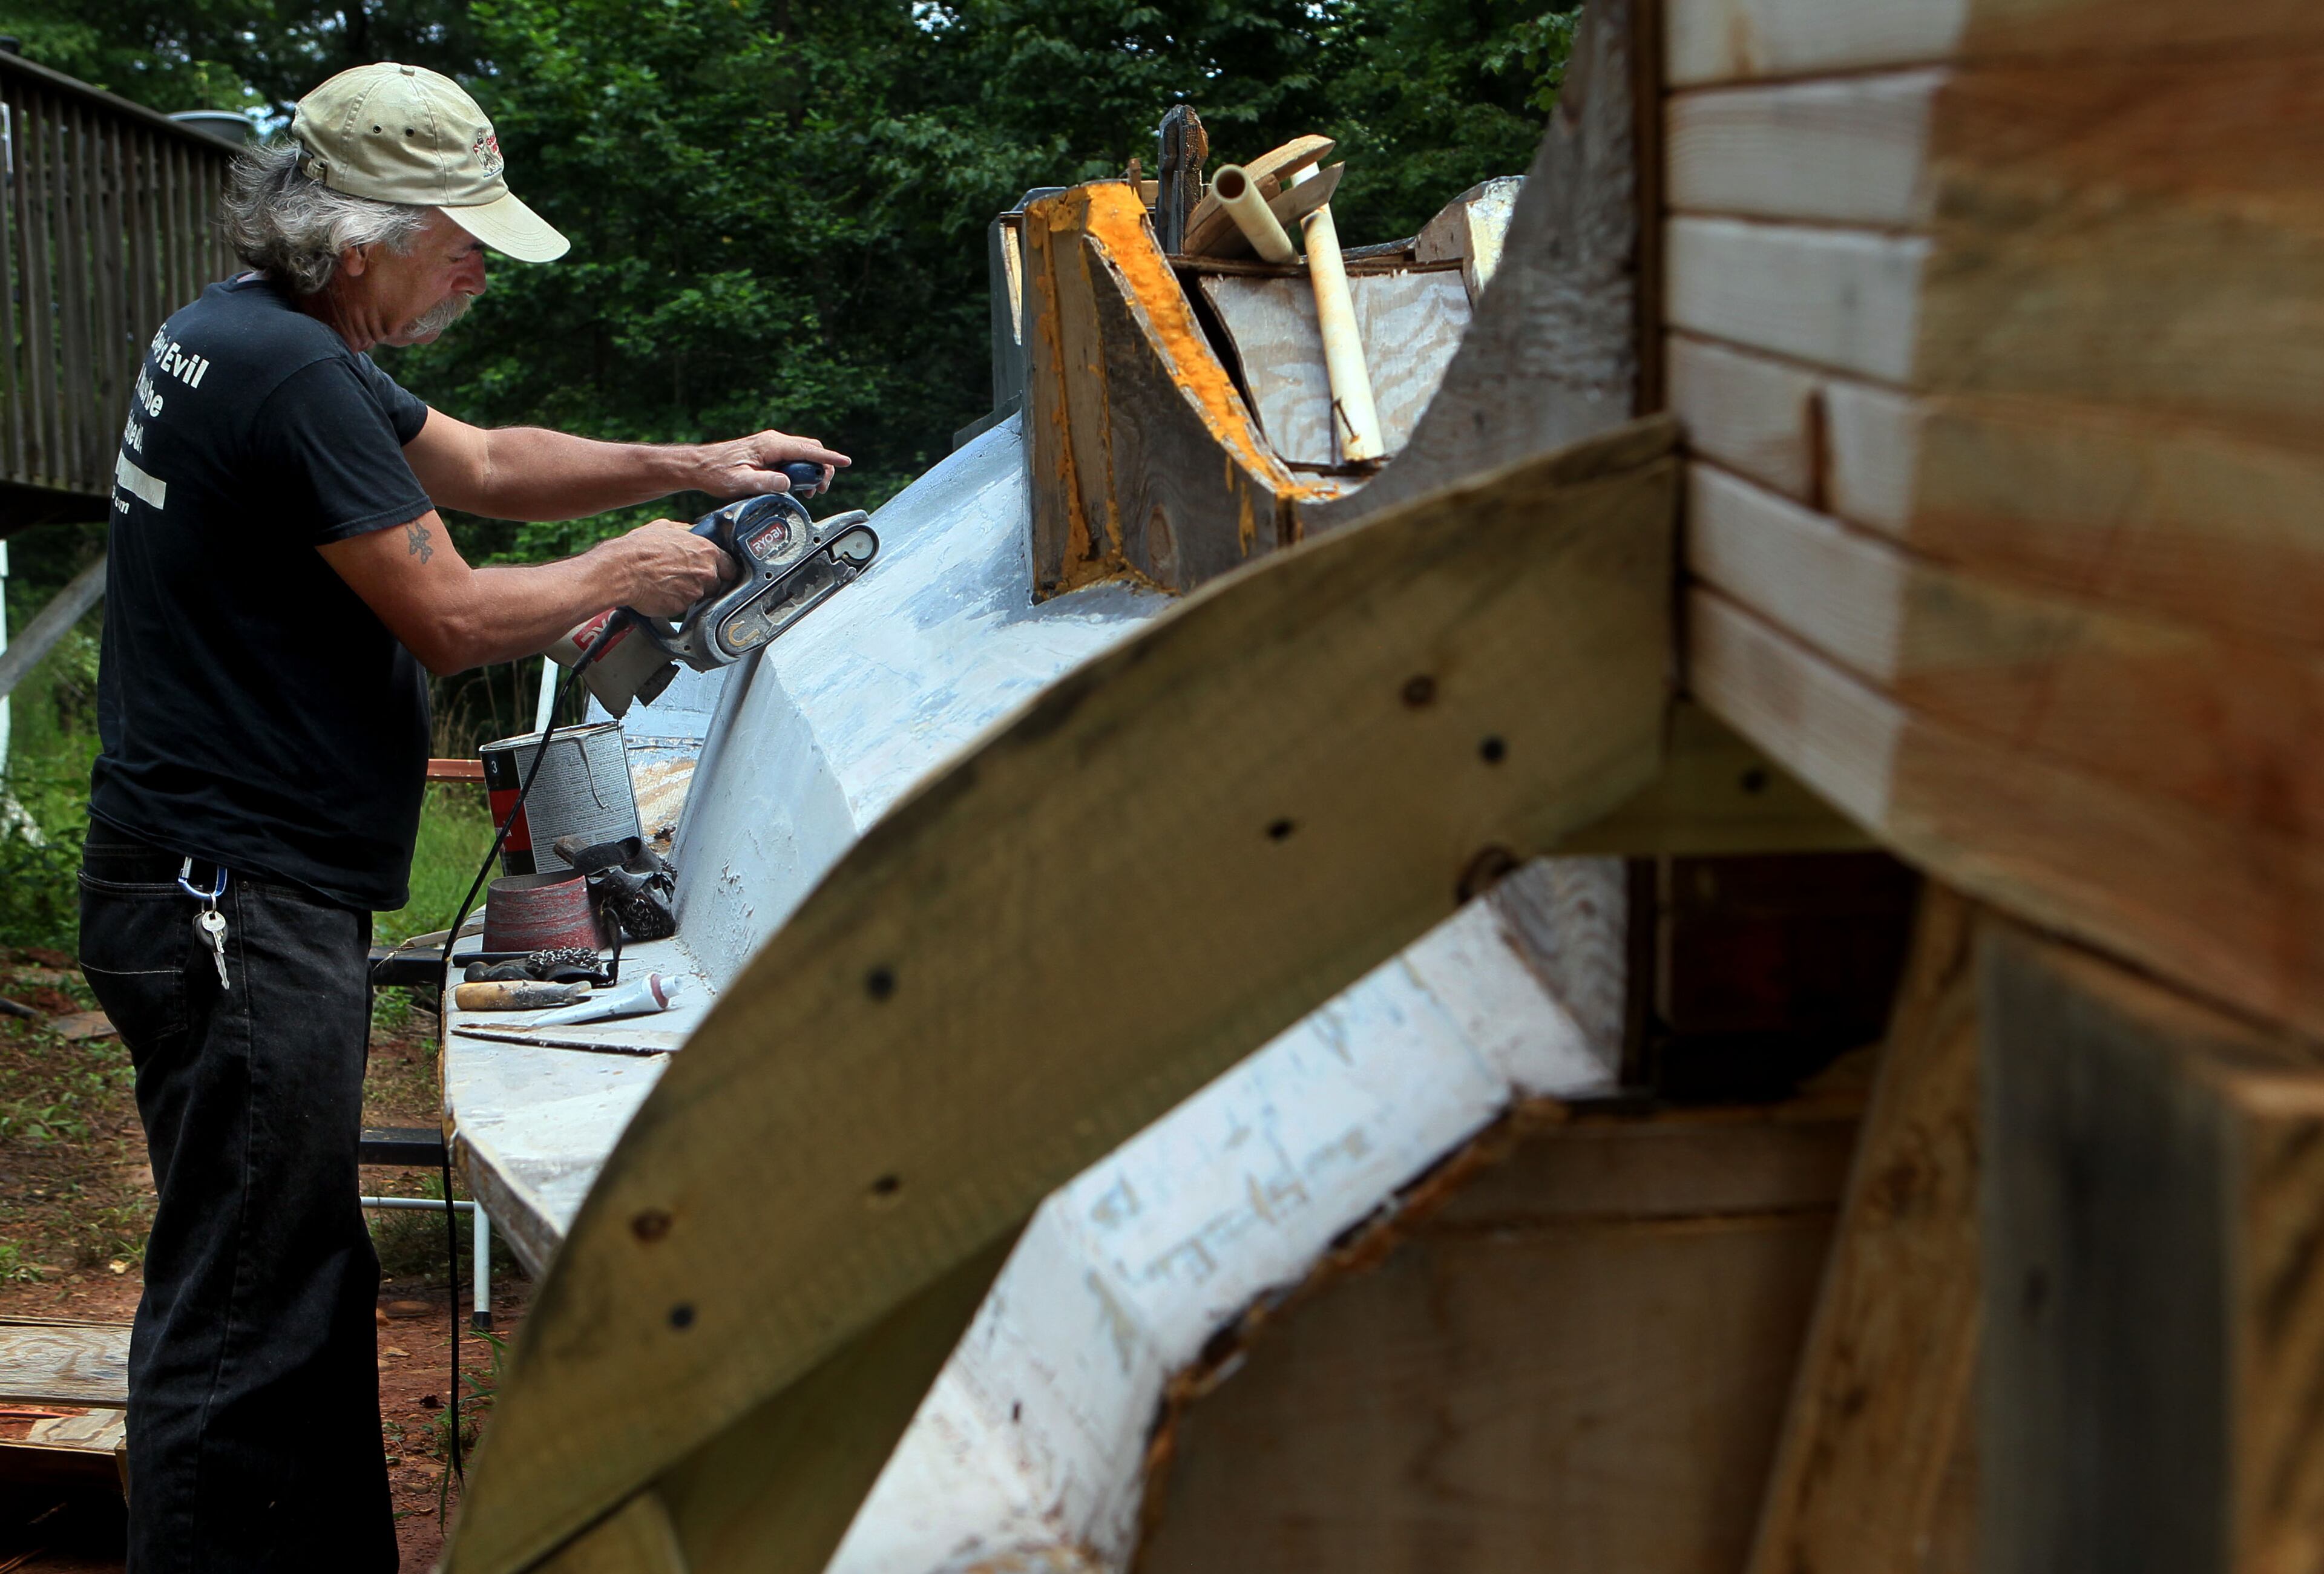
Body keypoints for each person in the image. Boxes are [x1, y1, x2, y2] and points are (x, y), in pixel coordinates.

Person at [76, 61, 848, 1570]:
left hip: (216, 881)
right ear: (359, 236)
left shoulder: (253, 336)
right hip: (234, 900)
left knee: (293, 1278)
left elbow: (486, 467)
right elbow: (444, 614)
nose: (481, 264)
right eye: (461, 235)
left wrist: (695, 466)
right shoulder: (292, 372)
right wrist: (618, 577)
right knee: (243, 1307)